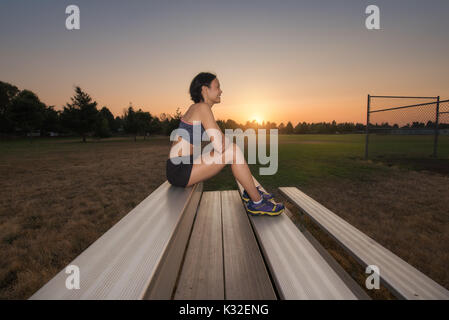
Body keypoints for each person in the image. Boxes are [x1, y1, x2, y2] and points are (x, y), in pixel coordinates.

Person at [166, 72, 284, 216]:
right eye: (217, 87)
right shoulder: (201, 108)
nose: (221, 91)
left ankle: (251, 191)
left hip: (181, 166)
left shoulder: (200, 109)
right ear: (205, 89)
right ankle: (257, 203)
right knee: (233, 152)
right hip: (179, 171)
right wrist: (224, 142)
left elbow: (222, 140)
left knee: (233, 150)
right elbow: (220, 145)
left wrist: (224, 141)